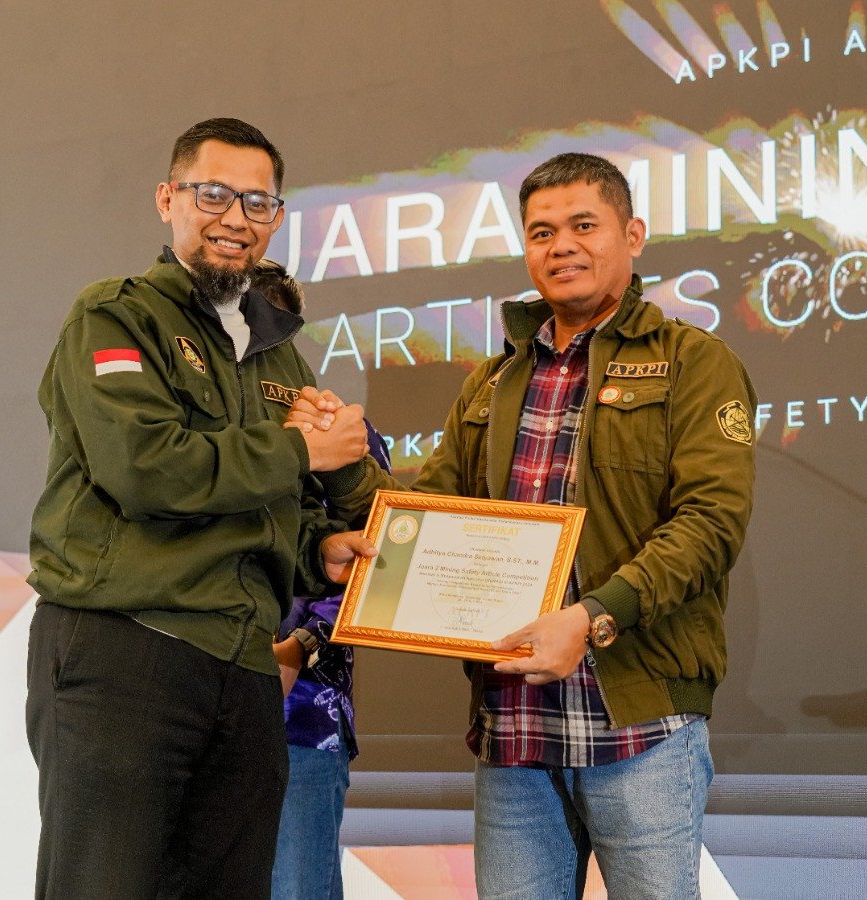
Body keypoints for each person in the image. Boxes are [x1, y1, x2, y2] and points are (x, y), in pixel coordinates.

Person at [298, 152, 756, 899]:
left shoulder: (693, 362)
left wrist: (592, 617)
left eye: (584, 225)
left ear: (633, 235)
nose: (561, 246)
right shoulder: (493, 379)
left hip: (640, 725)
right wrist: (344, 461)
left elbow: (711, 524)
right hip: (512, 729)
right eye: (542, 232)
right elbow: (425, 521)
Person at [24, 117, 375, 900]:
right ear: (167, 199)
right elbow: (144, 469)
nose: (236, 218)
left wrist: (316, 548)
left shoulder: (281, 354)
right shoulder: (116, 316)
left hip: (246, 667)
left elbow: (266, 505)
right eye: (213, 194)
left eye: (258, 203)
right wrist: (299, 450)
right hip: (127, 646)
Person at [253, 260, 394, 900]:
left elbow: (377, 559)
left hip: (301, 716)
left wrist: (298, 647)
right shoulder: (195, 436)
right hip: (190, 708)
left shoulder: (346, 437)